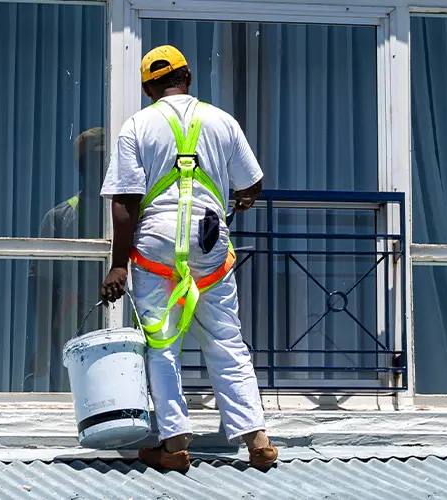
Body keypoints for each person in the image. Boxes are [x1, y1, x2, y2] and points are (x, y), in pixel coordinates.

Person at [99, 44, 274, 473]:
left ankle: (175, 444)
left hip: (156, 247)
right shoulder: (222, 121)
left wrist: (120, 264)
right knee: (226, 341)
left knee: (162, 346)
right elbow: (252, 185)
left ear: (147, 88)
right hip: (210, 243)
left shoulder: (137, 126)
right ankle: (257, 439)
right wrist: (241, 199)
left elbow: (124, 203)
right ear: (188, 78)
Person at [26, 127, 106, 392]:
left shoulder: (129, 216)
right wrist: (43, 345)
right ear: (80, 167)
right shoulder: (60, 217)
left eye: (105, 161)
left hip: (120, 326)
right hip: (71, 330)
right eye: (93, 161)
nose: (100, 169)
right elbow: (42, 288)